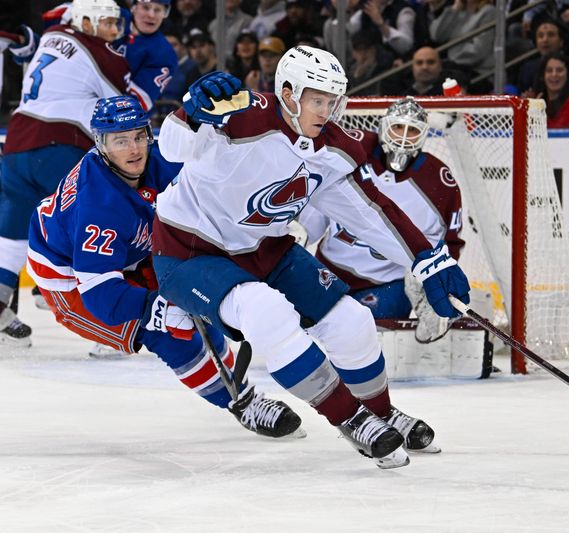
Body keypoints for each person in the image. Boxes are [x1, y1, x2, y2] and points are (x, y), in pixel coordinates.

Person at [151, 46, 470, 468]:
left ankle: (381, 411)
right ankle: (350, 418)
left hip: (266, 248)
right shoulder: (237, 114)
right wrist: (190, 110)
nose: (328, 110)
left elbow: (370, 212)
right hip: (189, 249)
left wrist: (426, 259)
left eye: (334, 100)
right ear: (288, 92)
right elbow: (171, 149)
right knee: (266, 313)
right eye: (317, 99)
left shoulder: (332, 149)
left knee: (351, 319)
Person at [26, 95, 304, 439]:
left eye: (139, 136)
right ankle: (243, 402)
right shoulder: (99, 205)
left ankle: (237, 385)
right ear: (101, 144)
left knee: (195, 297)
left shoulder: (161, 160)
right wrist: (156, 310)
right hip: (70, 278)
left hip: (130, 252)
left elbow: (216, 191)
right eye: (120, 141)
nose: (133, 149)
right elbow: (101, 296)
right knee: (167, 330)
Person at [0, 0, 132, 347]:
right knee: (97, 227)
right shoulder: (103, 53)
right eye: (105, 21)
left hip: (16, 144)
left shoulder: (51, 35)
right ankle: (106, 329)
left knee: (12, 237)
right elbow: (123, 108)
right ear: (84, 20)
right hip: (60, 144)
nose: (112, 30)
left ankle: (2, 307)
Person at [298, 97, 464, 326]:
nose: (403, 137)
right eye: (397, 127)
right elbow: (320, 202)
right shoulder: (355, 151)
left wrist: (428, 285)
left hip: (386, 284)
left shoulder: (437, 182)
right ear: (384, 126)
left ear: (424, 135)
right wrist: (299, 232)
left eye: (412, 130)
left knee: (365, 336)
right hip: (328, 271)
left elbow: (446, 243)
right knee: (305, 330)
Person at [530, 52, 569, 129]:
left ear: (568, 75)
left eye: (559, 70)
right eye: (549, 70)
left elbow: (559, 133)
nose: (554, 74)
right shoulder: (538, 101)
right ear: (542, 76)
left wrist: (536, 114)